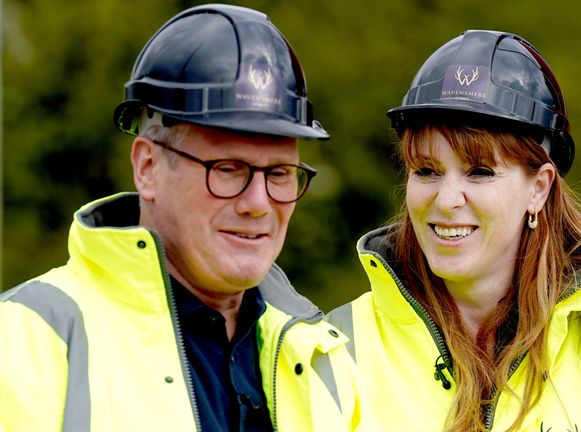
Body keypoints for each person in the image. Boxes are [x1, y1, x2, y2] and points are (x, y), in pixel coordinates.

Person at [327, 30, 581, 431]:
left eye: (480, 172)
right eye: (427, 171)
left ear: (539, 188)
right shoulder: (333, 349)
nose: (447, 199)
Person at [0, 5, 367, 431]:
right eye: (228, 169)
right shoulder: (26, 339)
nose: (258, 202)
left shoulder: (323, 357)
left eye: (280, 174)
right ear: (148, 168)